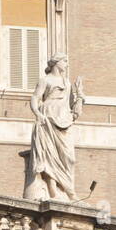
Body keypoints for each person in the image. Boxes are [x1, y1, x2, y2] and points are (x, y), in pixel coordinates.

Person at [24, 54, 83, 201]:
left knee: (69, 157)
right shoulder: (46, 80)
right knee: (50, 155)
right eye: (65, 61)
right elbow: (35, 97)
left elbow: (73, 109)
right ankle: (54, 190)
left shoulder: (67, 83)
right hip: (49, 116)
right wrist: (37, 113)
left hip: (64, 118)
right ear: (56, 63)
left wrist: (79, 94)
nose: (67, 65)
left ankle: (68, 187)